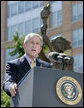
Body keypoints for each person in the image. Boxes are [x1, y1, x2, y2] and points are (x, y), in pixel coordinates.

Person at [3, 33, 52, 97]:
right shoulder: (13, 65)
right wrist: (11, 86)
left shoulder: (47, 66)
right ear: (24, 45)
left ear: (40, 49)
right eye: (32, 42)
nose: (34, 46)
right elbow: (8, 82)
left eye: (37, 43)